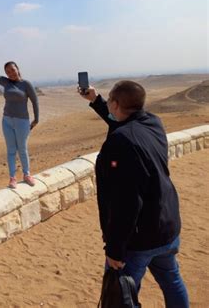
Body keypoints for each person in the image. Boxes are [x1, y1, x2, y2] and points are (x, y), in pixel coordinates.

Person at [79, 81, 189, 308]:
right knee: (172, 281)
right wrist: (97, 101)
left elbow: (126, 203)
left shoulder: (120, 142)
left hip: (139, 240)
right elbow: (123, 123)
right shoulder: (153, 123)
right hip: (167, 227)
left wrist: (115, 250)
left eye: (110, 100)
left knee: (120, 296)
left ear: (117, 104)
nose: (108, 103)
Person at [0, 57, 39, 189]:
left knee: (22, 148)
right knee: (11, 150)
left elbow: (35, 101)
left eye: (12, 70)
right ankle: (12, 178)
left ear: (17, 69)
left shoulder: (26, 84)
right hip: (7, 120)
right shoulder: (6, 82)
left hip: (22, 121)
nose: (10, 73)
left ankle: (27, 175)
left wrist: (36, 119)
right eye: (7, 72)